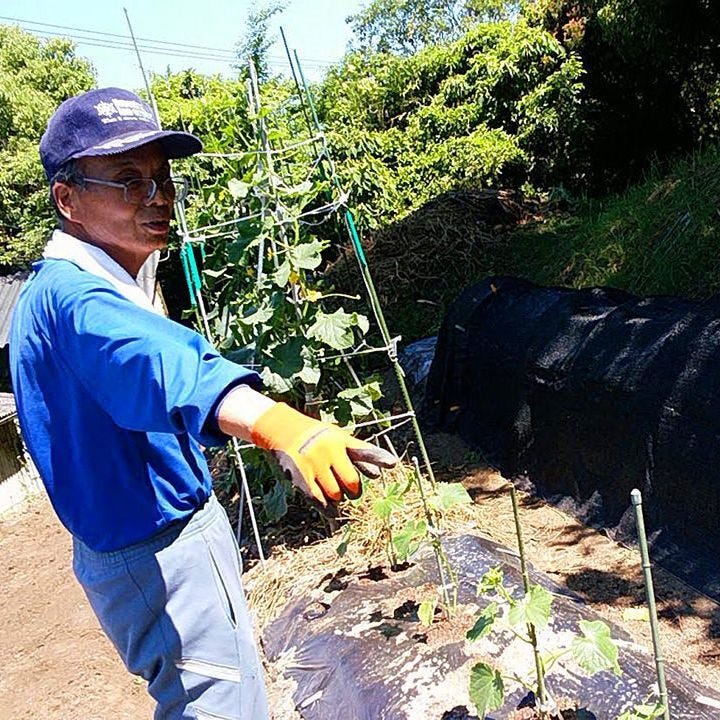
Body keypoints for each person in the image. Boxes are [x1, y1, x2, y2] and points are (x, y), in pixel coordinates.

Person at [9, 87, 396, 720]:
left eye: (161, 179)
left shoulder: (76, 287)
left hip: (144, 543)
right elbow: (160, 364)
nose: (157, 197)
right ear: (67, 198)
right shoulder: (78, 301)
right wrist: (278, 423)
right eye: (128, 181)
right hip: (159, 551)